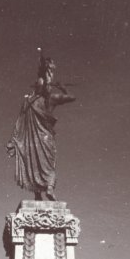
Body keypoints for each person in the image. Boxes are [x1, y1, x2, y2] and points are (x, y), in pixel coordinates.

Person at [6, 49, 76, 201]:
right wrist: (63, 87)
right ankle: (47, 189)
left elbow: (19, 122)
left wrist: (13, 140)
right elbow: (72, 97)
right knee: (44, 163)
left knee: (34, 163)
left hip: (34, 139)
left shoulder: (31, 102)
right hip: (44, 138)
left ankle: (39, 194)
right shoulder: (48, 99)